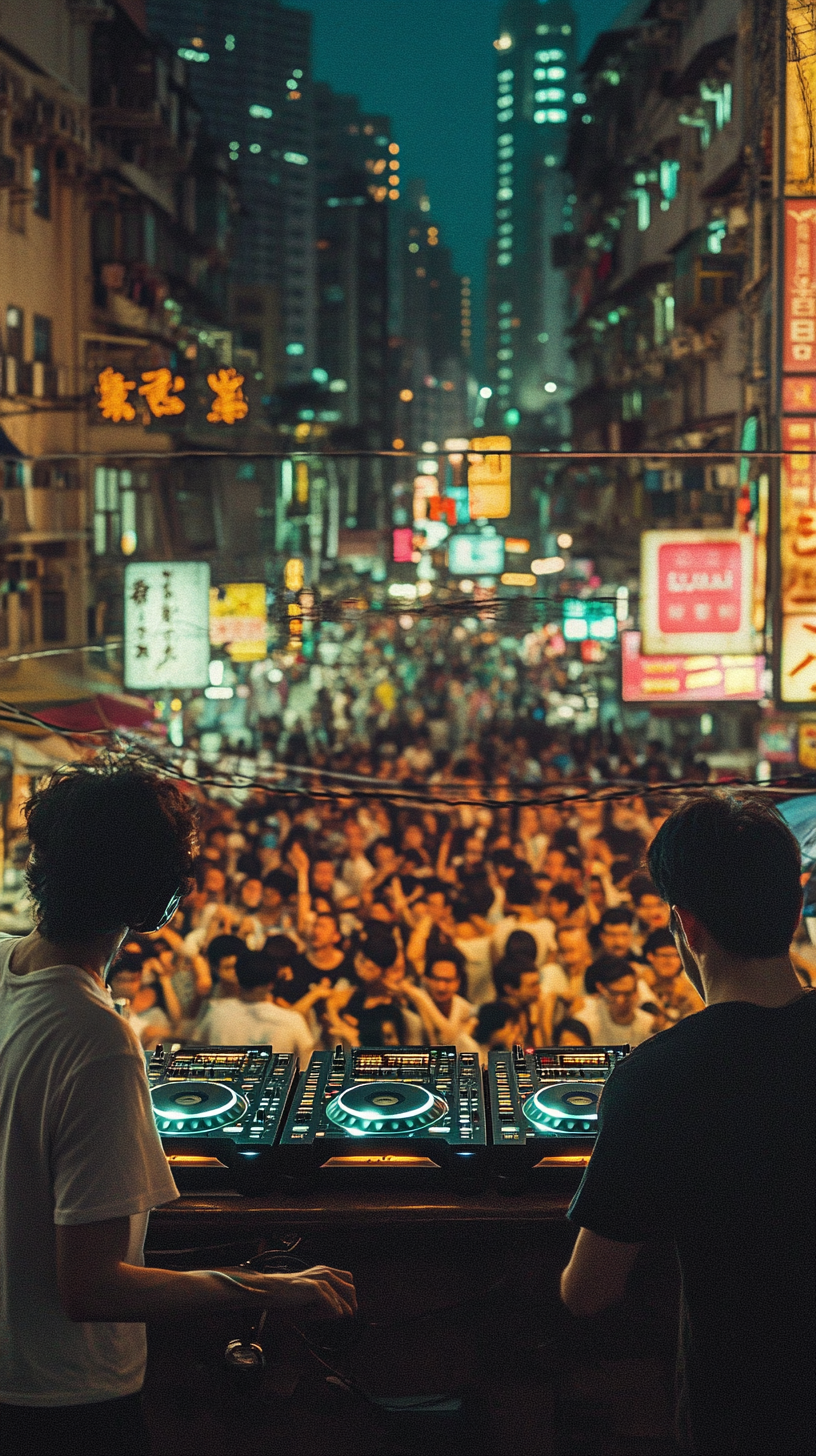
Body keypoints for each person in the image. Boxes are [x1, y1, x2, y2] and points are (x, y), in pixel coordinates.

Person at [0, 763, 355, 1456]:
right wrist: (265, 1288)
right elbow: (92, 1286)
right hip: (66, 1401)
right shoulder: (97, 1040)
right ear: (160, 901)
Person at [561, 793, 815, 1455]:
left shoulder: (659, 1076)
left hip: (745, 1413)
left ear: (686, 927)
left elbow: (588, 1291)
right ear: (796, 908)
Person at [195, 949, 314, 1061]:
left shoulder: (217, 1014)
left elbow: (196, 1049)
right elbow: (308, 1064)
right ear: (271, 983)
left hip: (225, 1082)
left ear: (237, 976)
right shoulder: (292, 1021)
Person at [573, 954, 655, 1047]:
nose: (620, 1000)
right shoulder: (586, 1021)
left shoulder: (649, 1023)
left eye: (627, 994)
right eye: (614, 993)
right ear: (602, 989)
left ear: (636, 993)